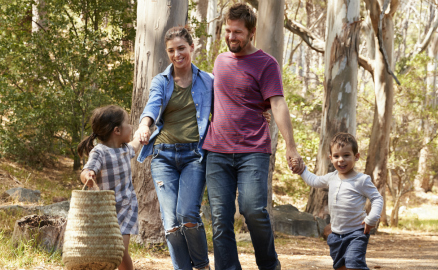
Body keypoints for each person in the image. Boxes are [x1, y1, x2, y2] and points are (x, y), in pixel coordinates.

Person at [202, 3, 304, 270]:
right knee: (221, 219)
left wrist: (291, 147)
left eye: (237, 32)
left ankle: (269, 266)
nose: (231, 37)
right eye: (228, 31)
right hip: (217, 151)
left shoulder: (266, 64)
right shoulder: (220, 61)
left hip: (253, 151)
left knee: (253, 211)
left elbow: (278, 104)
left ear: (251, 33)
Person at [134, 26, 213, 270]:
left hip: (194, 156)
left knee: (188, 216)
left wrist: (259, 111)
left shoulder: (208, 81)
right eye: (171, 50)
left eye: (181, 48)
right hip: (163, 156)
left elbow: (226, 110)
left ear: (191, 47)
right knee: (170, 222)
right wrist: (144, 126)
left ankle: (201, 266)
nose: (177, 54)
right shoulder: (162, 80)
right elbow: (152, 106)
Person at [293, 133, 384, 270]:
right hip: (336, 235)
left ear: (356, 157)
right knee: (341, 266)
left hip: (356, 233)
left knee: (354, 264)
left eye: (346, 155)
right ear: (331, 158)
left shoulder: (362, 180)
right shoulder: (332, 177)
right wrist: (302, 170)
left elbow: (377, 198)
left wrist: (372, 218)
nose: (341, 160)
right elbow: (314, 180)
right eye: (336, 156)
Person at [78, 105, 142, 270]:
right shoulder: (100, 152)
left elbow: (135, 144)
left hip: (126, 207)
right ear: (117, 130)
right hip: (105, 212)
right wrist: (89, 176)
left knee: (120, 250)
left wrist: (141, 135)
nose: (131, 126)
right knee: (108, 253)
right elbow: (86, 171)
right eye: (128, 123)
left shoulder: (125, 149)